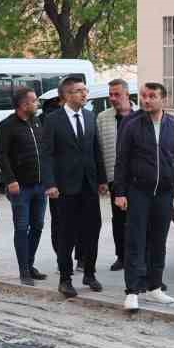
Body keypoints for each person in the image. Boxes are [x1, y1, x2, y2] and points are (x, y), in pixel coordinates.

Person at [112, 82, 174, 312]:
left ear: (162, 99)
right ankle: (132, 291)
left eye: (152, 96)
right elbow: (121, 160)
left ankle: (155, 287)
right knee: (135, 241)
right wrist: (120, 192)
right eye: (144, 96)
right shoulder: (132, 125)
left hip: (164, 193)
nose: (146, 100)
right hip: (138, 192)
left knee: (158, 241)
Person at [39, 74, 107, 298]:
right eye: (80, 90)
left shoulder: (89, 117)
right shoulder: (52, 119)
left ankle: (89, 272)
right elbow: (46, 155)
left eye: (85, 90)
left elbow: (96, 150)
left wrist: (102, 180)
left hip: (88, 185)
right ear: (68, 94)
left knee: (92, 230)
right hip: (64, 187)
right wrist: (49, 183)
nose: (84, 94)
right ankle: (65, 279)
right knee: (66, 233)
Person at [0, 87, 49, 286]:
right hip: (20, 187)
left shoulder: (36, 121)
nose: (37, 104)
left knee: (38, 226)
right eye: (34, 101)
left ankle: (30, 263)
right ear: (24, 105)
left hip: (40, 185)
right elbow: (1, 154)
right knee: (21, 227)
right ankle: (24, 270)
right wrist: (10, 180)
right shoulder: (7, 125)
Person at [95, 79, 134, 271]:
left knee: (138, 218)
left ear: (127, 94)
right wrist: (101, 179)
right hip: (114, 177)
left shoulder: (140, 116)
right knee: (118, 219)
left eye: (117, 94)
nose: (112, 98)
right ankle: (122, 256)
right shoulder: (103, 118)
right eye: (110, 94)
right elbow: (99, 150)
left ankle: (139, 256)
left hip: (138, 178)